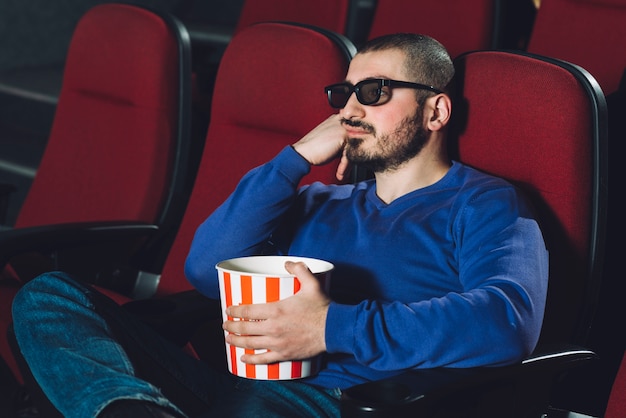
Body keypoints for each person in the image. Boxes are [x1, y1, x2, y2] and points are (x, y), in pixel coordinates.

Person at [11, 33, 548, 418]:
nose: (350, 111)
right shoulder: (319, 198)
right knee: (47, 297)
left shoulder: (485, 203)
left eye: (375, 92)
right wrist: (292, 159)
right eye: (344, 94)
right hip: (236, 384)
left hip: (349, 401)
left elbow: (507, 319)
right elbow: (204, 269)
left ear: (436, 112)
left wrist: (329, 327)